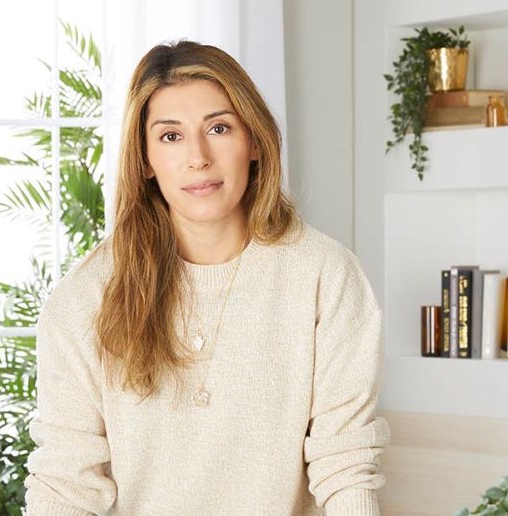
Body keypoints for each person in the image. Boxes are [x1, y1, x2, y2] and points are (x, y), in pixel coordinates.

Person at [24, 40, 390, 516]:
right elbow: (65, 482)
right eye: (170, 136)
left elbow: (346, 464)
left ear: (254, 141)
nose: (198, 157)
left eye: (219, 128)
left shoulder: (324, 275)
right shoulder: (87, 297)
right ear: (146, 159)